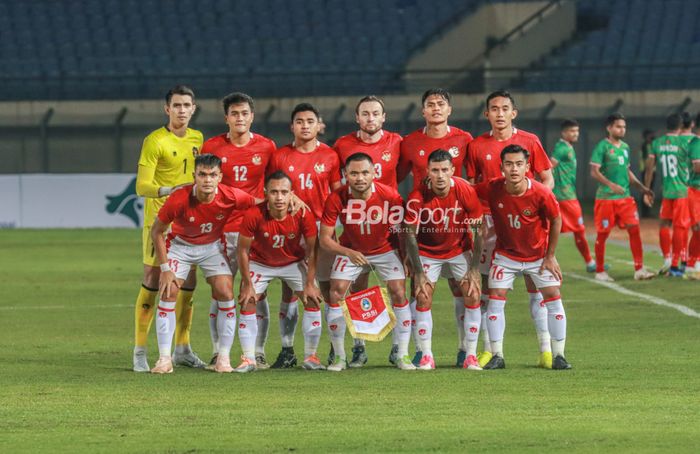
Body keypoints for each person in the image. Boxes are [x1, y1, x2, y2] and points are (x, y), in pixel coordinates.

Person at [465, 90, 554, 369]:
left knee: (535, 287)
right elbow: (470, 187)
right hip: (490, 224)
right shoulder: (476, 145)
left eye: (505, 108)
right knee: (487, 291)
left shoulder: (530, 141)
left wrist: (535, 206)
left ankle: (546, 350)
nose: (500, 113)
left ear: (514, 113)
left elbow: (547, 178)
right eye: (494, 109)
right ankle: (490, 351)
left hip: (526, 223)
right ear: (487, 114)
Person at [149, 154, 258, 373]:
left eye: (212, 175)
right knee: (169, 291)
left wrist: (292, 198)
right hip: (180, 246)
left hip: (212, 247)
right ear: (194, 176)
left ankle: (223, 359)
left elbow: (261, 204)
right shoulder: (179, 198)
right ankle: (164, 359)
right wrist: (165, 269)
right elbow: (157, 231)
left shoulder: (231, 195)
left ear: (220, 177)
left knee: (225, 292)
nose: (207, 180)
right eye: (202, 175)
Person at [474, 145, 571, 370]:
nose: (514, 169)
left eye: (519, 164)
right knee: (494, 298)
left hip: (538, 256)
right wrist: (450, 182)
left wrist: (551, 256)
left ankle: (559, 355)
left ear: (528, 167)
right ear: (502, 167)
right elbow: (469, 190)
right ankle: (497, 355)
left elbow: (556, 220)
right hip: (506, 256)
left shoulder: (541, 192)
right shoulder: (493, 188)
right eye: (509, 164)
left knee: (553, 296)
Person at [397, 88, 474, 368]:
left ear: (449, 109)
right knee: (420, 288)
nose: (436, 109)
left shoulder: (464, 139)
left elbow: (473, 178)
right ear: (423, 111)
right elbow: (393, 179)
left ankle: (465, 349)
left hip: (454, 222)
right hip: (422, 224)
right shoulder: (409, 142)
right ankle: (421, 351)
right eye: (430, 104)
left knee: (462, 289)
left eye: (441, 104)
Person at [200, 92, 277, 368]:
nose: (240, 118)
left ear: (252, 116)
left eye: (244, 113)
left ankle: (257, 351)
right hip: (222, 229)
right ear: (226, 118)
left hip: (255, 230)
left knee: (258, 291)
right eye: (234, 114)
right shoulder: (212, 146)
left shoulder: (267, 147)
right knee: (221, 291)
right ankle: (217, 350)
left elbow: (275, 186)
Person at [132, 85, 205, 372]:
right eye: (177, 105)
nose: (182, 110)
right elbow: (142, 186)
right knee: (153, 277)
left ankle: (182, 348)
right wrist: (170, 188)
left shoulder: (198, 138)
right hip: (160, 221)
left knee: (188, 280)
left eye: (187, 105)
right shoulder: (155, 141)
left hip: (189, 221)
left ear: (194, 108)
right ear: (167, 109)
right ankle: (140, 350)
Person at [320, 152, 413, 371]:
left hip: (384, 250)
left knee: (398, 291)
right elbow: (325, 239)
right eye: (353, 173)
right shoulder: (336, 198)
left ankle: (402, 354)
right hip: (351, 250)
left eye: (364, 172)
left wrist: (405, 256)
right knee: (337, 291)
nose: (359, 178)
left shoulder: (390, 196)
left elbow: (401, 231)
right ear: (345, 175)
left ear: (374, 173)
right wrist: (347, 252)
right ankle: (340, 357)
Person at [267, 103, 342, 368]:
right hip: (290, 229)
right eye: (300, 121)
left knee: (327, 288)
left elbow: (337, 194)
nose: (305, 125)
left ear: (318, 125)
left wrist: (334, 228)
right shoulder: (280, 156)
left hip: (322, 229)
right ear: (292, 126)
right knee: (290, 290)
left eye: (310, 121)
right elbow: (272, 190)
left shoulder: (331, 156)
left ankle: (336, 349)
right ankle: (288, 350)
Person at [332, 95, 403, 367]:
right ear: (357, 117)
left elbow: (404, 171)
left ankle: (400, 349)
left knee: (398, 288)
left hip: (387, 225)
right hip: (355, 225)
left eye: (376, 113)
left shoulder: (397, 142)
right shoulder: (343, 145)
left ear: (384, 117)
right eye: (365, 113)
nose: (370, 118)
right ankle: (358, 346)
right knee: (355, 288)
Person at [403, 149, 484, 370]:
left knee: (473, 292)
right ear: (427, 171)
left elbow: (480, 230)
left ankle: (470, 355)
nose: (440, 175)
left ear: (453, 170)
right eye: (435, 170)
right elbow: (409, 233)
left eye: (444, 170)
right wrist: (418, 271)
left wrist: (475, 268)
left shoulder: (465, 190)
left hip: (459, 250)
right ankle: (427, 355)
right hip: (428, 251)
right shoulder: (416, 196)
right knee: (422, 296)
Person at [236, 171, 325, 372]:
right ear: (266, 193)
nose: (279, 197)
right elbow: (242, 250)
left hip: (292, 263)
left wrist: (310, 284)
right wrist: (247, 284)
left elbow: (313, 250)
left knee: (312, 298)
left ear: (291, 193)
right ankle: (249, 359)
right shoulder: (253, 214)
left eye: (284, 192)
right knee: (248, 299)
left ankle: (311, 356)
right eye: (274, 192)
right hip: (260, 263)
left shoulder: (303, 213)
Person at [590, 113, 655, 281]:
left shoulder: (625, 147)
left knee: (634, 229)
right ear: (609, 128)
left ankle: (639, 269)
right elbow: (594, 172)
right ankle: (599, 271)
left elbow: (627, 172)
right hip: (605, 199)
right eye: (618, 126)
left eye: (624, 127)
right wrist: (611, 185)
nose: (622, 129)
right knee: (603, 234)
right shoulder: (602, 147)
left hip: (625, 199)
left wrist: (643, 188)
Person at [644, 113, 691, 277]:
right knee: (680, 226)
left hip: (667, 191)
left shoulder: (657, 143)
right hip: (682, 191)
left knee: (664, 225)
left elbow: (650, 167)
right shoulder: (685, 142)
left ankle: (667, 259)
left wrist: (647, 189)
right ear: (681, 126)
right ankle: (676, 265)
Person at [550, 119, 598, 272]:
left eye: (576, 131)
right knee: (578, 229)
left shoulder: (566, 147)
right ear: (564, 133)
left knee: (552, 230)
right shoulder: (562, 148)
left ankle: (590, 262)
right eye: (572, 131)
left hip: (566, 195)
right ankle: (590, 263)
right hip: (565, 197)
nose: (575, 134)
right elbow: (550, 166)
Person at [686, 116, 700, 279]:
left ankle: (695, 262)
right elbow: (697, 167)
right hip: (695, 191)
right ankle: (691, 264)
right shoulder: (696, 144)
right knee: (697, 228)